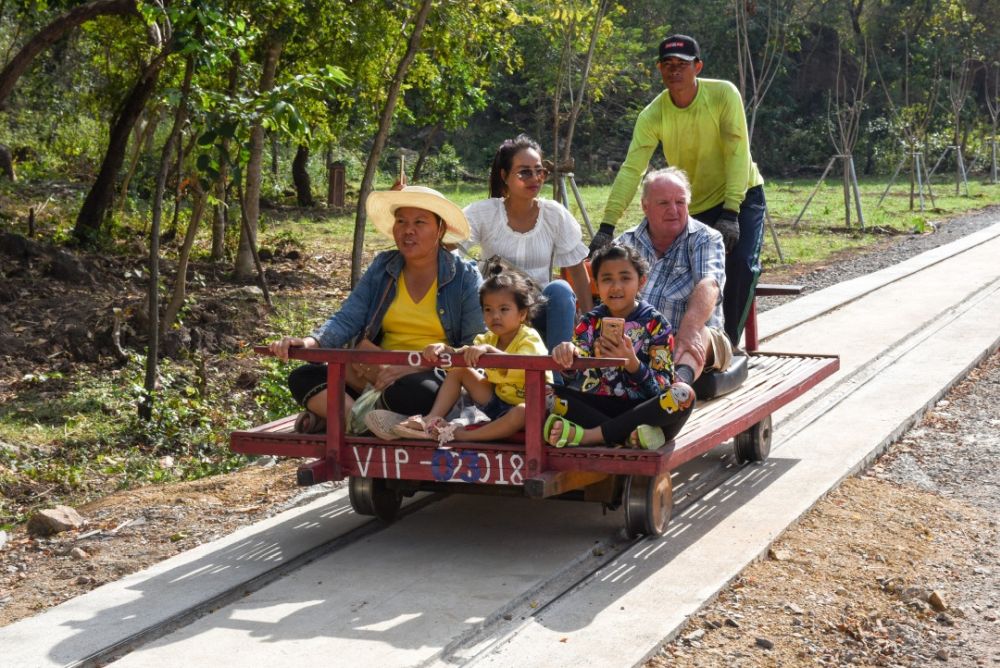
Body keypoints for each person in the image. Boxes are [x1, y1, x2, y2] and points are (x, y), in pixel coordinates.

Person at [592, 34, 766, 346]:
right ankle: (664, 344)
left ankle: (728, 343)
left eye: (683, 64)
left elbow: (738, 153)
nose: (675, 71)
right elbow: (633, 168)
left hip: (740, 195)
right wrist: (607, 226)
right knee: (684, 273)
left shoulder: (723, 94)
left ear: (697, 67)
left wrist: (731, 212)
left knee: (738, 264)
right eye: (668, 64)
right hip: (690, 202)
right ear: (659, 69)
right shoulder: (653, 114)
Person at [268, 186, 485, 432]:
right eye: (401, 221)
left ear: (441, 229)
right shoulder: (384, 267)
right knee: (304, 377)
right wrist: (309, 342)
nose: (408, 230)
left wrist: (412, 366)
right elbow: (348, 317)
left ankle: (345, 418)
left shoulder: (464, 277)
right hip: (373, 372)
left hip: (428, 375)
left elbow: (474, 345)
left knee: (420, 394)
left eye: (420, 222)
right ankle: (369, 424)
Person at [366, 258, 550, 444]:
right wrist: (445, 350)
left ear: (522, 313)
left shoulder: (529, 338)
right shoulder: (487, 338)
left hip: (529, 409)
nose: (495, 316)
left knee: (522, 411)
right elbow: (464, 354)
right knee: (459, 370)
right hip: (498, 402)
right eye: (488, 309)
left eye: (504, 309)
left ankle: (466, 436)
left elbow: (527, 364)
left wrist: (489, 351)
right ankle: (430, 419)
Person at [544, 243, 695, 449]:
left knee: (683, 395)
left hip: (643, 409)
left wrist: (633, 364)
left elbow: (661, 387)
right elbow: (575, 368)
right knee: (542, 392)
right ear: (596, 283)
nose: (616, 287)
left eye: (625, 278)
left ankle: (590, 436)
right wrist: (568, 354)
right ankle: (630, 436)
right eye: (607, 279)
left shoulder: (656, 324)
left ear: (641, 282)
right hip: (599, 407)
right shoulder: (589, 322)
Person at [462, 134, 594, 352]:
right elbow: (447, 244)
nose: (534, 178)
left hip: (536, 311)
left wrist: (591, 325)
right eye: (524, 172)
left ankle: (555, 378)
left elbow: (578, 272)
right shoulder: (484, 213)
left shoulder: (555, 215)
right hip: (495, 313)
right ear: (504, 176)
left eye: (539, 171)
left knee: (560, 288)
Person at [616, 167, 733, 386]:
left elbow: (710, 284)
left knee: (700, 333)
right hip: (635, 341)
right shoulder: (625, 243)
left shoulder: (705, 238)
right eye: (664, 203)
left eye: (680, 202)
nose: (674, 210)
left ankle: (677, 387)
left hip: (695, 337)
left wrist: (688, 331)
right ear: (645, 206)